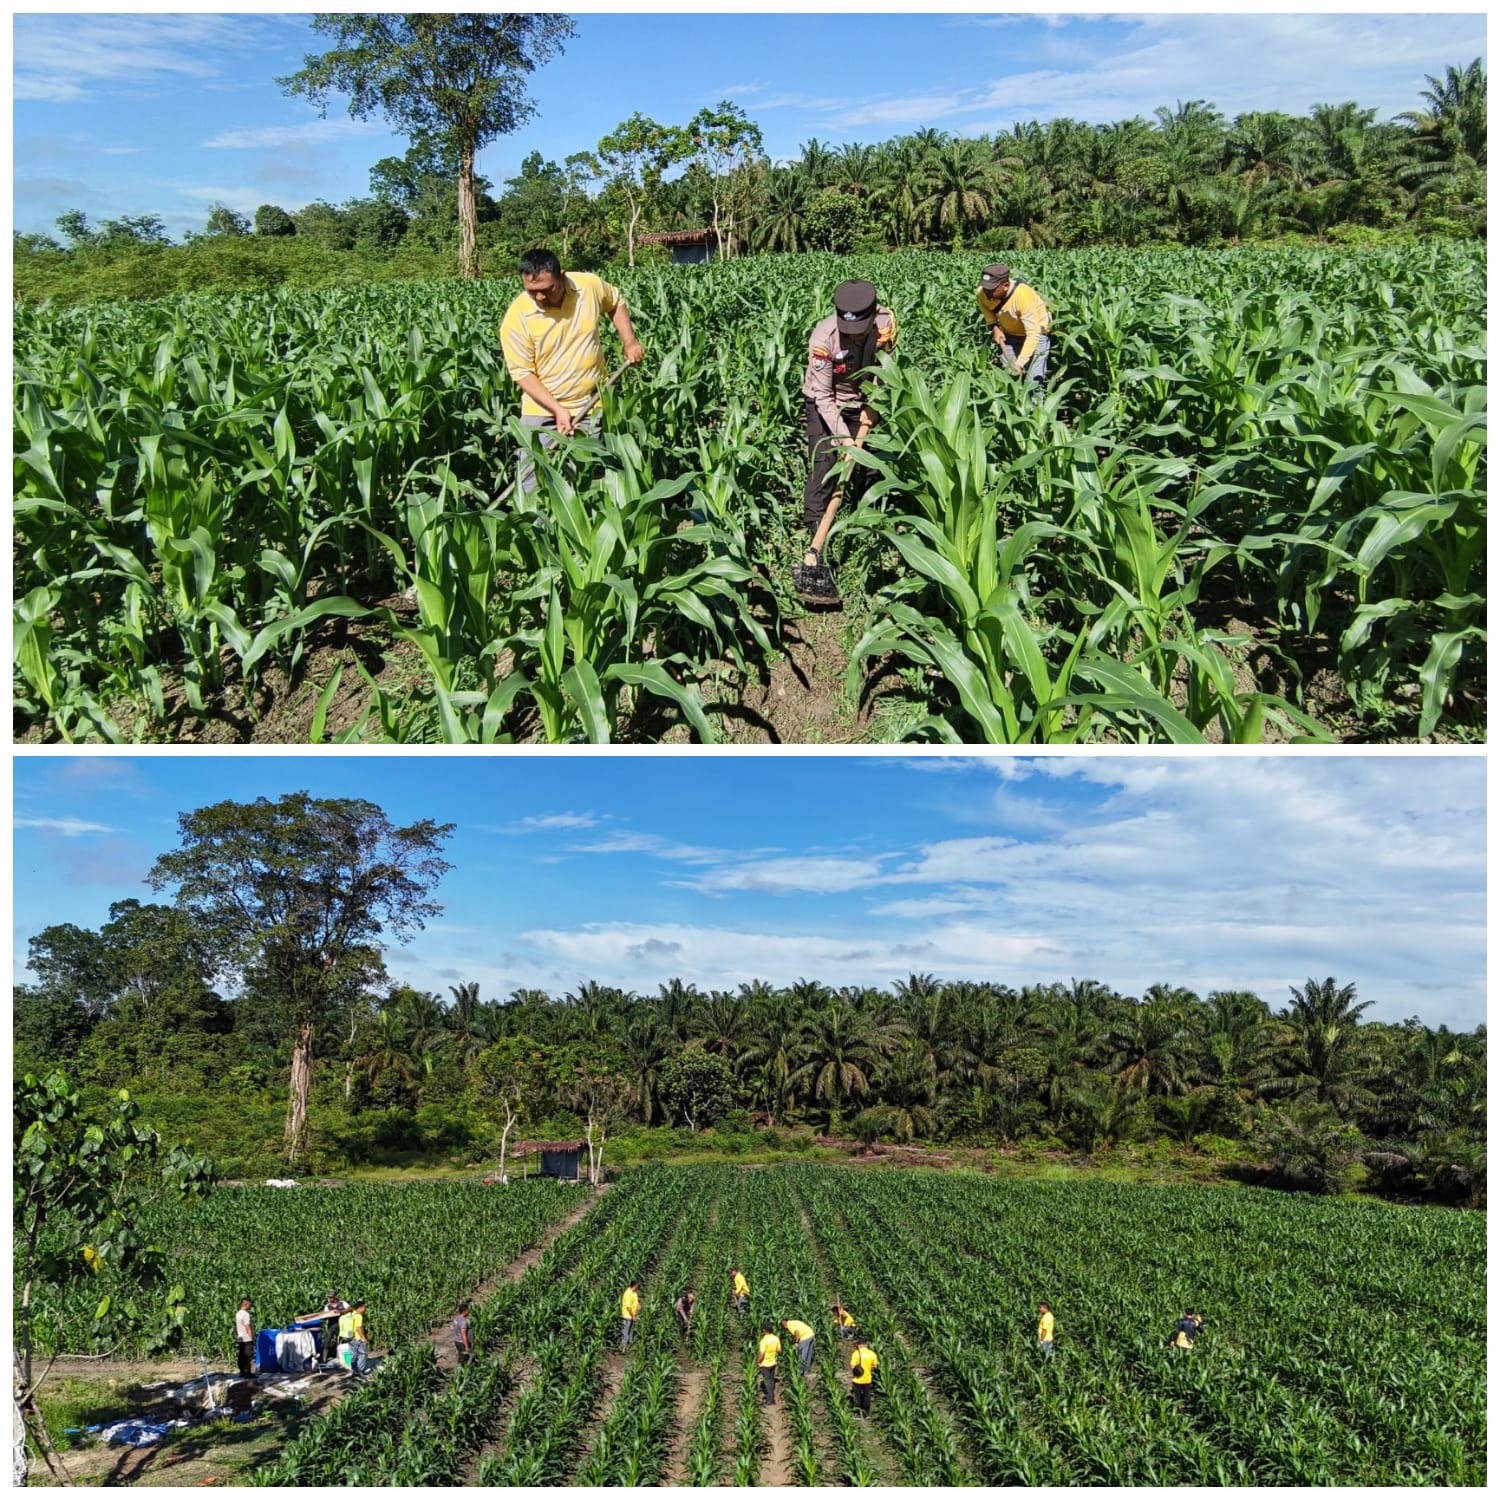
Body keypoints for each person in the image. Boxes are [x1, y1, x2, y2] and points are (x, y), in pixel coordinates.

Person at [499, 247, 645, 492]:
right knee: (532, 483)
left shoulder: (588, 286)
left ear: (562, 276)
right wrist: (558, 410)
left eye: (547, 289)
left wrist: (629, 341)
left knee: (585, 480)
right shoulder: (517, 318)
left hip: (590, 405)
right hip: (542, 411)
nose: (541, 298)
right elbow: (522, 373)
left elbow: (615, 302)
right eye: (533, 292)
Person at [799, 278, 897, 575]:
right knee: (825, 460)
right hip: (826, 402)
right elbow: (824, 396)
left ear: (873, 313)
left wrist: (874, 404)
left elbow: (885, 365)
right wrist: (844, 439)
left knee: (869, 464)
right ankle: (817, 529)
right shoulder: (823, 339)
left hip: (865, 400)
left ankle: (865, 517)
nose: (851, 337)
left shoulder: (886, 323)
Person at [976, 264, 1052, 387]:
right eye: (985, 287)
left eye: (991, 289)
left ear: (1005, 286)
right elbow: (986, 309)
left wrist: (1020, 363)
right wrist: (994, 326)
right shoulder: (982, 292)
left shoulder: (1023, 296)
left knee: (1033, 383)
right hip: (1009, 335)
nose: (986, 292)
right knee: (1009, 379)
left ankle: (1036, 405)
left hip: (1037, 335)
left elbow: (1033, 333)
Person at [339, 1300, 371, 1378]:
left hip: (350, 1338)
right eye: (364, 1307)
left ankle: (354, 1371)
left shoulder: (351, 1314)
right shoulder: (358, 1316)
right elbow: (358, 1328)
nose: (365, 1309)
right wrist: (363, 1338)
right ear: (360, 1308)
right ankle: (360, 1371)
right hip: (358, 1338)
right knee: (362, 1354)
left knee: (353, 1355)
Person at [849, 1339, 879, 1419]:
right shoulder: (872, 1354)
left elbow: (852, 1366)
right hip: (868, 1379)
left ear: (859, 1345)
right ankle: (866, 1414)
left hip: (857, 1379)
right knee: (866, 1396)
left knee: (857, 1396)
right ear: (866, 1345)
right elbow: (875, 1366)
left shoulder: (856, 1353)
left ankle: (858, 1414)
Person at [318, 1291, 348, 1369]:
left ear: (335, 1296)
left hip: (342, 1325)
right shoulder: (327, 1306)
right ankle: (324, 1360)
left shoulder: (342, 1303)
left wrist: (340, 1312)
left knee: (344, 1342)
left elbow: (350, 1309)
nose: (330, 1298)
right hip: (331, 1325)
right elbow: (324, 1315)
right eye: (329, 1297)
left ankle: (346, 1360)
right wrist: (326, 1315)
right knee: (327, 1341)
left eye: (331, 1297)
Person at [757, 1321, 782, 1407]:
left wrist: (759, 1361)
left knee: (767, 1382)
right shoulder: (776, 1338)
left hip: (765, 1364)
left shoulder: (764, 1340)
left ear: (764, 1330)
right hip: (773, 1363)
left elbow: (762, 1353)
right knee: (771, 1381)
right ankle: (771, 1397)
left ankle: (771, 1400)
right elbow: (779, 1350)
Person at [235, 1298, 255, 1379]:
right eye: (249, 1305)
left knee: (241, 1355)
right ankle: (247, 1373)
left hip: (240, 1337)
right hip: (246, 1338)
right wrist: (252, 1338)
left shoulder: (238, 1313)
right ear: (246, 1304)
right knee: (247, 1356)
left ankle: (242, 1372)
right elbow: (248, 1327)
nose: (250, 1306)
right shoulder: (245, 1314)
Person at [621, 1281, 641, 1348]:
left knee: (631, 1329)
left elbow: (635, 1300)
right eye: (637, 1286)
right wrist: (633, 1316)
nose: (638, 1287)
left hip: (632, 1314)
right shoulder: (627, 1293)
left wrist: (638, 1304)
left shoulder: (634, 1292)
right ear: (634, 1286)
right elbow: (628, 1307)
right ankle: (624, 1345)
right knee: (626, 1329)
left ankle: (629, 1343)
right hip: (627, 1315)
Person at [454, 1302, 473, 1367]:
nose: (469, 1311)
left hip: (457, 1341)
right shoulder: (463, 1322)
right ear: (465, 1311)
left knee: (461, 1357)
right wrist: (466, 1346)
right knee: (463, 1359)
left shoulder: (457, 1318)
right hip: (462, 1342)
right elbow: (463, 1334)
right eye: (468, 1310)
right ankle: (460, 1373)